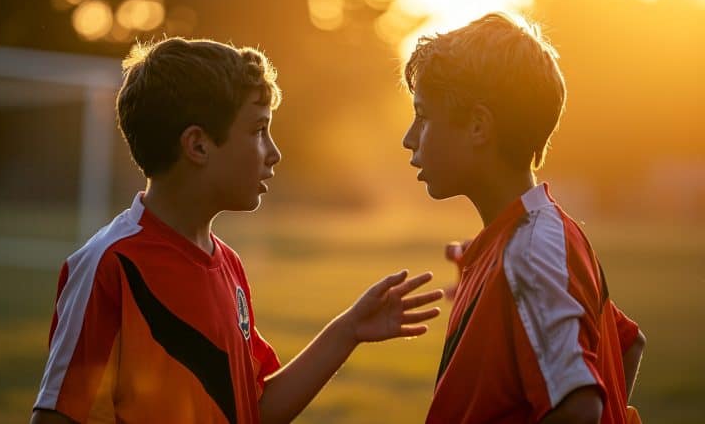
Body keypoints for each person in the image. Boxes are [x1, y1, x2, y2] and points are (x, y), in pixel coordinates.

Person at [30, 37, 444, 424]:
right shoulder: (109, 264)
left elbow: (255, 407)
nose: (274, 153)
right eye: (259, 130)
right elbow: (58, 416)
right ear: (198, 145)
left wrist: (347, 331)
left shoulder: (226, 264)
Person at [401, 11, 646, 424]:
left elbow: (578, 406)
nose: (409, 137)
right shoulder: (526, 241)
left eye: (423, 115)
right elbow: (627, 344)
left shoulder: (530, 253)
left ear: (479, 126)